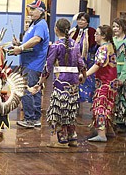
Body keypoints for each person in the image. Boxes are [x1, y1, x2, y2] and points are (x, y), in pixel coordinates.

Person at [31, 18, 86, 148]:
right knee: (70, 109)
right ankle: (72, 138)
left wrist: (40, 82)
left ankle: (62, 141)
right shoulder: (75, 44)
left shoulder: (56, 46)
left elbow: (48, 67)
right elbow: (81, 63)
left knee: (59, 110)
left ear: (56, 30)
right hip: (73, 82)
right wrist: (83, 76)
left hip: (61, 82)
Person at [11, 0, 49, 128]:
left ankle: (30, 119)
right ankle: (35, 118)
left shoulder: (41, 25)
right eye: (30, 9)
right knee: (34, 90)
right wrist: (19, 44)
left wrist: (20, 48)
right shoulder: (35, 23)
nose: (30, 12)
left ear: (41, 11)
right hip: (29, 62)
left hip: (33, 64)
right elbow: (30, 41)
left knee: (27, 90)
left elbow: (36, 39)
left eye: (33, 9)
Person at [80, 25, 117, 142]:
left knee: (100, 106)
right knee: (109, 106)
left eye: (97, 33)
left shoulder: (102, 48)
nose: (95, 35)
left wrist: (85, 74)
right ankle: (109, 130)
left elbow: (98, 64)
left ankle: (102, 134)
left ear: (103, 36)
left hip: (105, 83)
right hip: (112, 83)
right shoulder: (110, 46)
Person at [112, 18, 126, 133]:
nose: (115, 29)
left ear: (123, 28)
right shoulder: (112, 40)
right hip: (114, 72)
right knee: (114, 97)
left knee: (123, 97)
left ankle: (121, 122)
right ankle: (114, 119)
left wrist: (122, 78)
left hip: (125, 74)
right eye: (114, 26)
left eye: (117, 26)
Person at [69, 12, 98, 103]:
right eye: (79, 19)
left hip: (87, 60)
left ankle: (85, 99)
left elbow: (96, 45)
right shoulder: (72, 31)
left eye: (83, 20)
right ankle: (74, 101)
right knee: (73, 81)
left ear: (87, 22)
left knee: (86, 81)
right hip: (73, 61)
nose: (80, 21)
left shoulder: (92, 32)